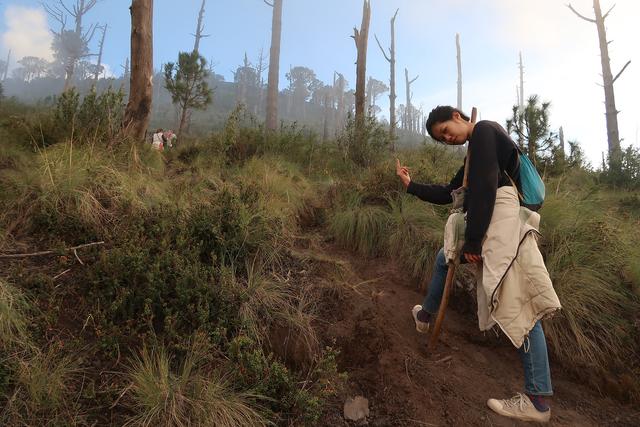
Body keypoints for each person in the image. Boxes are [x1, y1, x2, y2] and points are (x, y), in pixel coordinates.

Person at [396, 106, 561, 423]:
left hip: (501, 221)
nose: (447, 138)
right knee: (444, 257)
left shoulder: (485, 131)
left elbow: (486, 187)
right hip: (493, 219)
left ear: (457, 116)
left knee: (517, 298)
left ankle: (538, 401)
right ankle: (426, 316)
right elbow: (450, 193)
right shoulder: (474, 152)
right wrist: (411, 185)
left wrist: (473, 240)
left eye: (445, 130)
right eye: (441, 139)